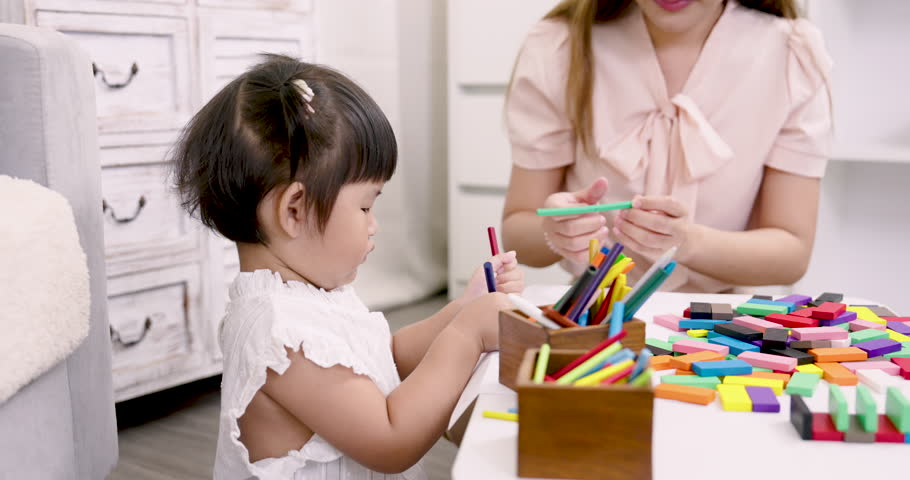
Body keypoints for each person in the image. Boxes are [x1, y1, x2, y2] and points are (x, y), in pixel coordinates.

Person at [172, 54, 524, 480]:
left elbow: (384, 359)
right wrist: (467, 336)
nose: (374, 226)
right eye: (364, 206)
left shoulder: (313, 294)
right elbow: (391, 439)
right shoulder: (279, 334)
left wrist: (463, 310)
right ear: (295, 210)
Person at [501, 0, 833, 293]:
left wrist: (687, 242)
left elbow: (791, 254)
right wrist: (555, 231)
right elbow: (518, 231)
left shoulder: (791, 53)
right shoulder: (560, 46)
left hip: (723, 327)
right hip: (593, 313)